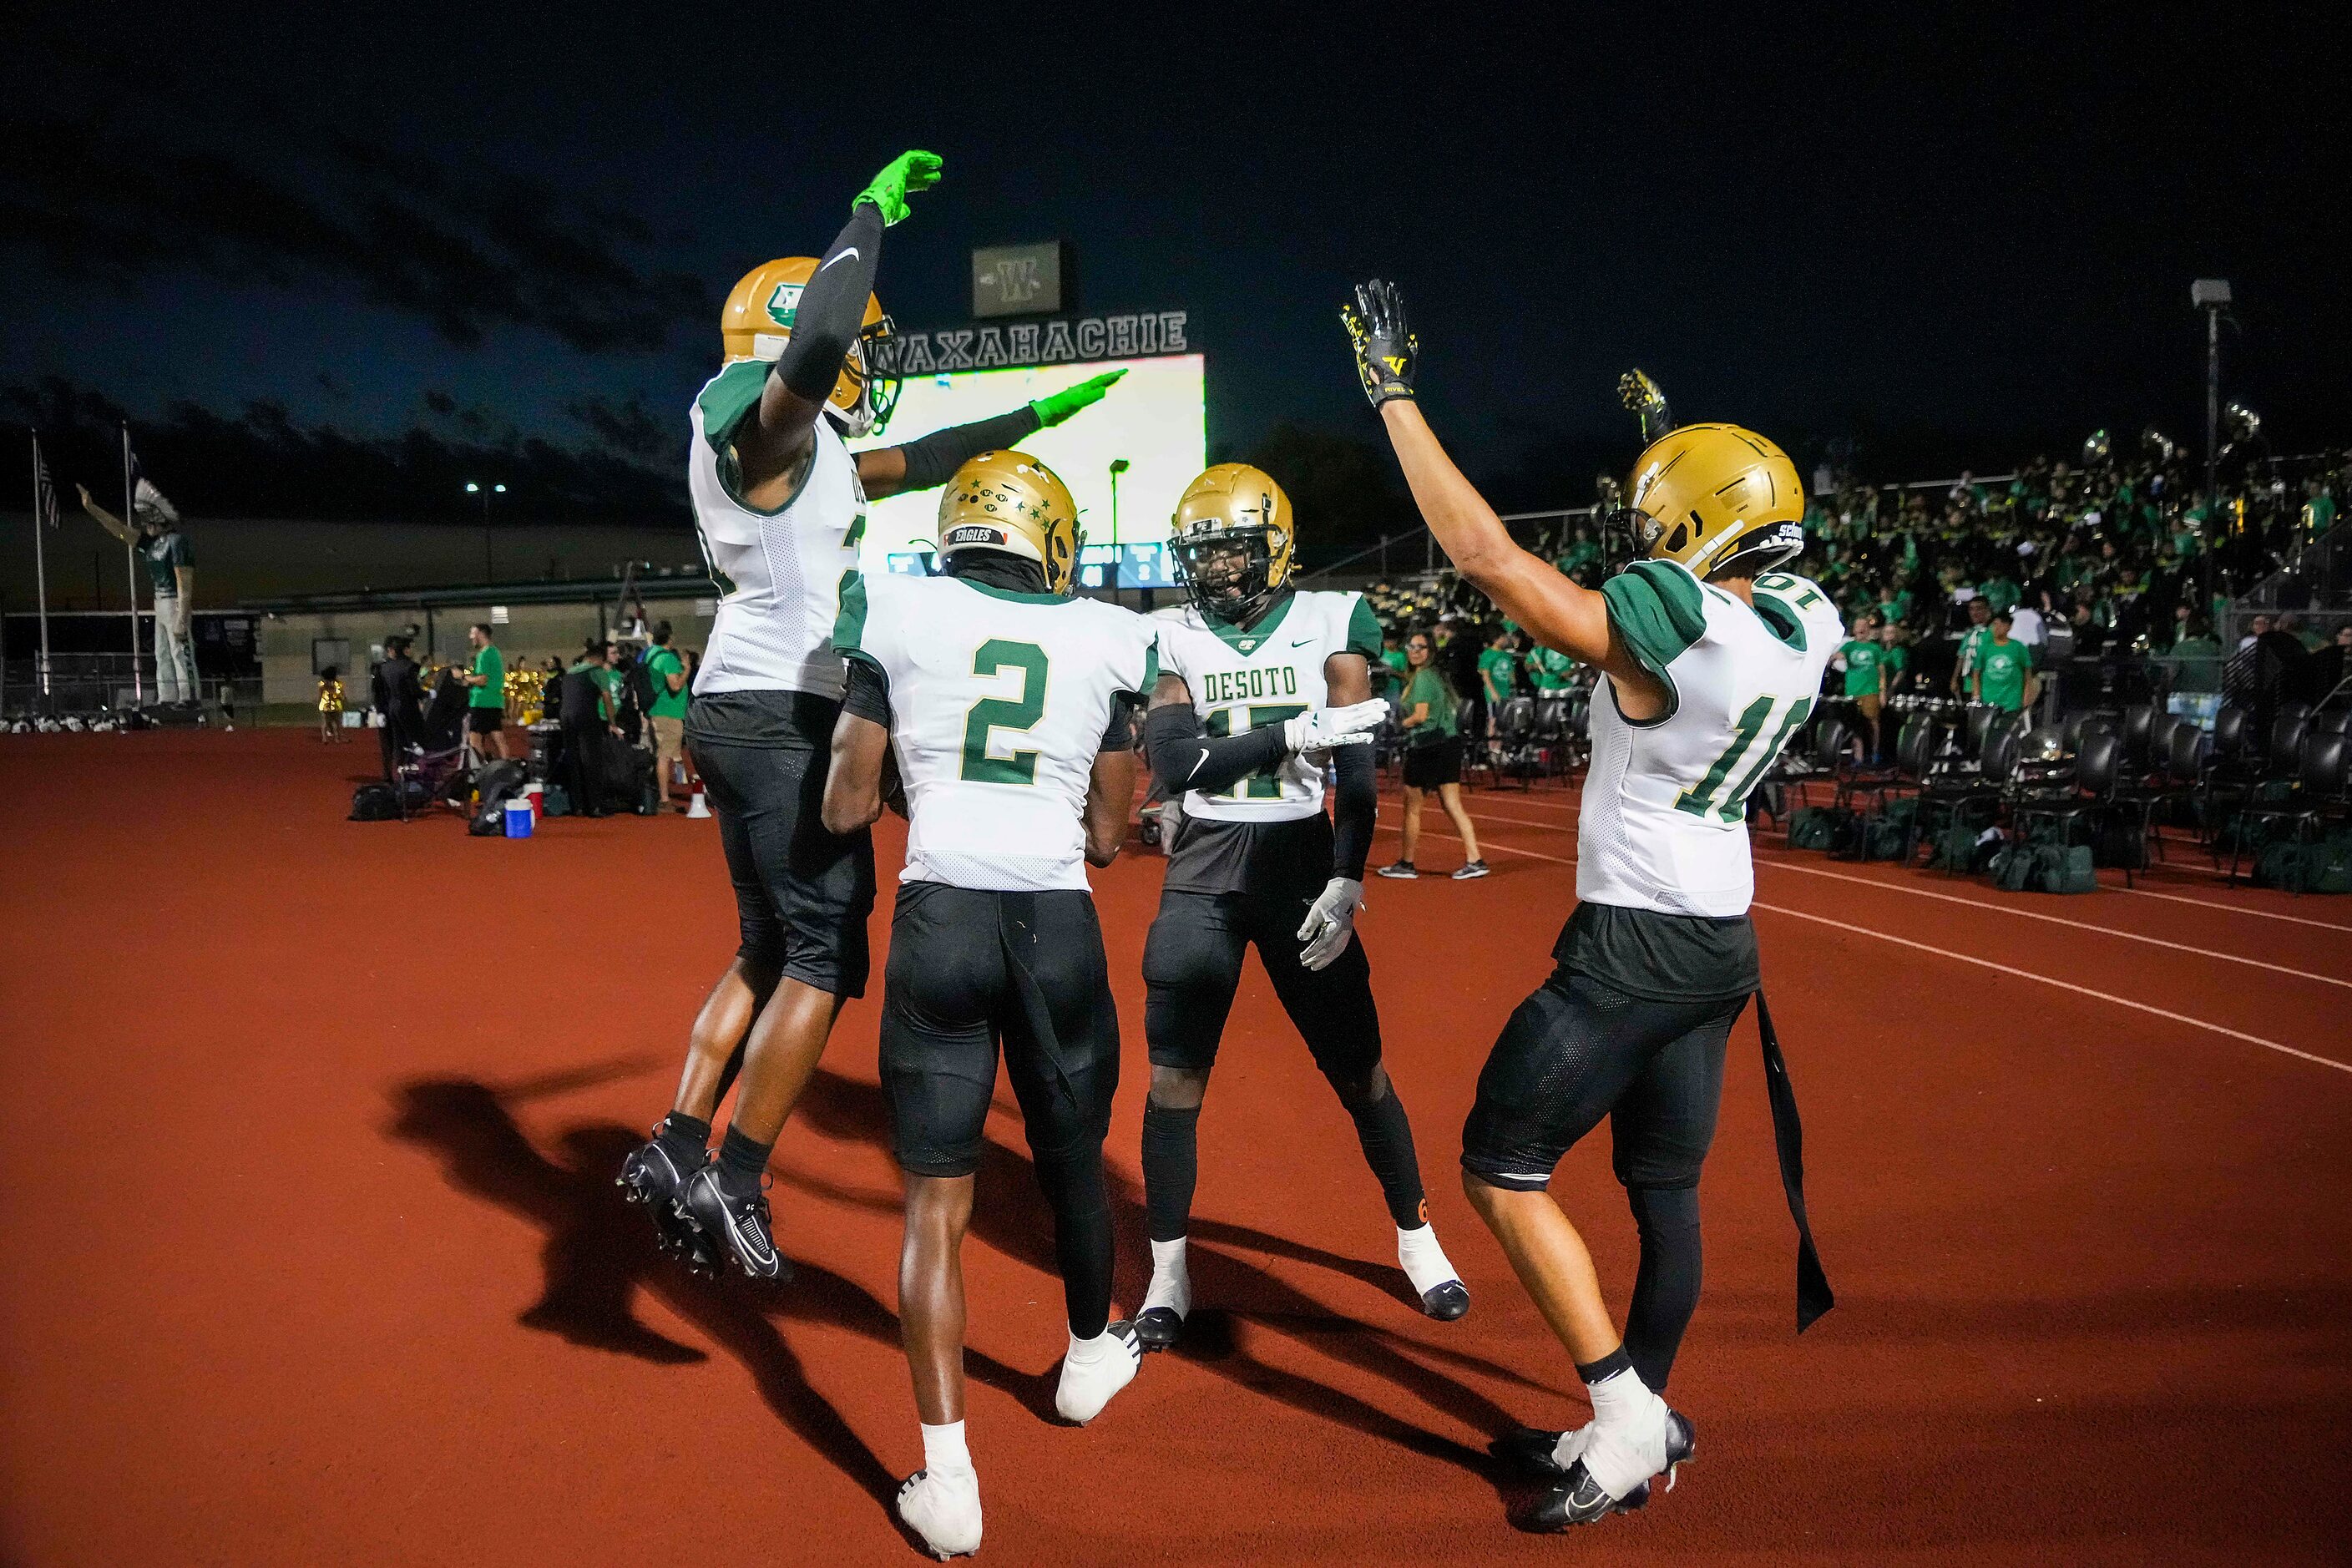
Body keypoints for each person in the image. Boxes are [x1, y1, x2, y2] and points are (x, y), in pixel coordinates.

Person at [1345, 280, 1838, 1527]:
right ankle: (1638, 1420)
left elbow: (1487, 558)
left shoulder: (1678, 623)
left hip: (1633, 942)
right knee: (1662, 1196)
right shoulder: (1811, 617)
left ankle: (1624, 1416)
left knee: (1499, 1167)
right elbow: (1718, 554)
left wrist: (1391, 393)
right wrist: (1665, 442)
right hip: (1723, 937)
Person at [618, 149, 1132, 1286]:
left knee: (767, 943)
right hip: (779, 709)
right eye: (851, 345)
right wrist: (863, 216)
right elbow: (810, 353)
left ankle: (680, 1141)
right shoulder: (764, 427)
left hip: (740, 701)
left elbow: (921, 455)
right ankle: (737, 1174)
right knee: (823, 951)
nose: (861, 366)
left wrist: (1039, 411)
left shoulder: (806, 451)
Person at [821, 452, 1156, 1559]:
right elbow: (1108, 839)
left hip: (941, 915)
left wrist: (930, 774)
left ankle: (951, 1477)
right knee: (1072, 1156)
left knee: (934, 1206)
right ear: (1050, 538)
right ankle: (1083, 1355)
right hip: (1053, 921)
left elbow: (844, 800)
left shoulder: (900, 610)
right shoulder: (1110, 633)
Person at [1131, 463, 1466, 1356]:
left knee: (1359, 1068)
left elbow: (1354, 760)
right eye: (1204, 553)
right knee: (1173, 1080)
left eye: (1236, 548)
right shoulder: (1170, 635)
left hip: (1299, 859)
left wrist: (1349, 875)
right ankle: (1168, 1271)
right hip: (1204, 867)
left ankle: (1416, 1235)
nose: (1220, 570)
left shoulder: (1333, 616)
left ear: (1276, 546)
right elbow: (1170, 757)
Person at [1378, 630, 1487, 878]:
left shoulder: (1424, 677)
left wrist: (1396, 726)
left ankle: (1406, 863)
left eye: (1421, 647)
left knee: (1412, 806)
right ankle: (1475, 859)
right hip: (1447, 744)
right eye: (1411, 646)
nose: (1415, 651)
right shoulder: (1432, 676)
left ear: (1430, 651)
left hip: (1429, 745)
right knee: (1452, 805)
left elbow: (1421, 716)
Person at [78, 478, 197, 706]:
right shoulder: (151, 544)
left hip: (174, 601)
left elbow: (184, 580)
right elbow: (120, 530)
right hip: (160, 601)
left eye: (150, 520)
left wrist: (182, 615)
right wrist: (92, 509)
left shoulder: (177, 542)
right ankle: (167, 697)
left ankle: (187, 697)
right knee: (161, 653)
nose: (146, 525)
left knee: (179, 652)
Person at [559, 638, 620, 817]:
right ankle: (595, 806)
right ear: (599, 660)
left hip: (566, 719)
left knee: (574, 760)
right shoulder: (597, 671)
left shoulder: (570, 672)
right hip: (586, 718)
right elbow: (607, 698)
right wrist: (612, 723)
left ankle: (577, 805)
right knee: (592, 761)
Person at [642, 620, 691, 807]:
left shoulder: (650, 654)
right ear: (670, 637)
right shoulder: (668, 658)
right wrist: (687, 669)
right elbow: (675, 685)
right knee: (665, 755)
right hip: (668, 711)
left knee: (661, 753)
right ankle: (664, 798)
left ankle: (661, 793)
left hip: (656, 710)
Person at [1834, 612, 1885, 756]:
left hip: (1870, 690)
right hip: (1852, 691)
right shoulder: (1849, 646)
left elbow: (1881, 670)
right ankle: (1858, 756)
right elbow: (1838, 656)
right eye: (1858, 626)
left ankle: (1875, 752)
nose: (1861, 629)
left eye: (1864, 626)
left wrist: (1882, 691)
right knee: (1855, 725)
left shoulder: (1875, 648)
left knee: (1872, 723)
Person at [459, 624, 510, 763]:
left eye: (472, 633)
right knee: (498, 738)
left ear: (481, 634)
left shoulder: (484, 654)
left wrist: (465, 677)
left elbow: (482, 680)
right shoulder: (495, 652)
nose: (471, 637)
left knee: (474, 740)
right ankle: (506, 769)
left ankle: (482, 772)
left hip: (481, 702)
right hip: (495, 701)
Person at [1971, 611, 2037, 715]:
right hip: (1988, 702)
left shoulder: (2018, 647)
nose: (1996, 628)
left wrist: (2027, 699)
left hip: (2012, 704)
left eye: (2000, 624)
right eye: (1994, 624)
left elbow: (2028, 676)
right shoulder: (1985, 648)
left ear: (2008, 627)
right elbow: (1976, 673)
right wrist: (1976, 696)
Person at [1950, 594, 1994, 699]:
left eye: (1979, 609)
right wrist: (1954, 679)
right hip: (1969, 684)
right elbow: (1962, 656)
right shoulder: (1970, 633)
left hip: (1987, 683)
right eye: (1971, 609)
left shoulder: (1993, 632)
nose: (1974, 613)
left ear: (1988, 610)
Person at [318, 666, 346, 743]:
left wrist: (319, 702)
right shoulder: (338, 684)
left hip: (325, 705)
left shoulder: (322, 684)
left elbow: (320, 695)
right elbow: (341, 694)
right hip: (336, 705)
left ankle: (325, 738)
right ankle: (338, 738)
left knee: (326, 723)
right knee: (338, 723)